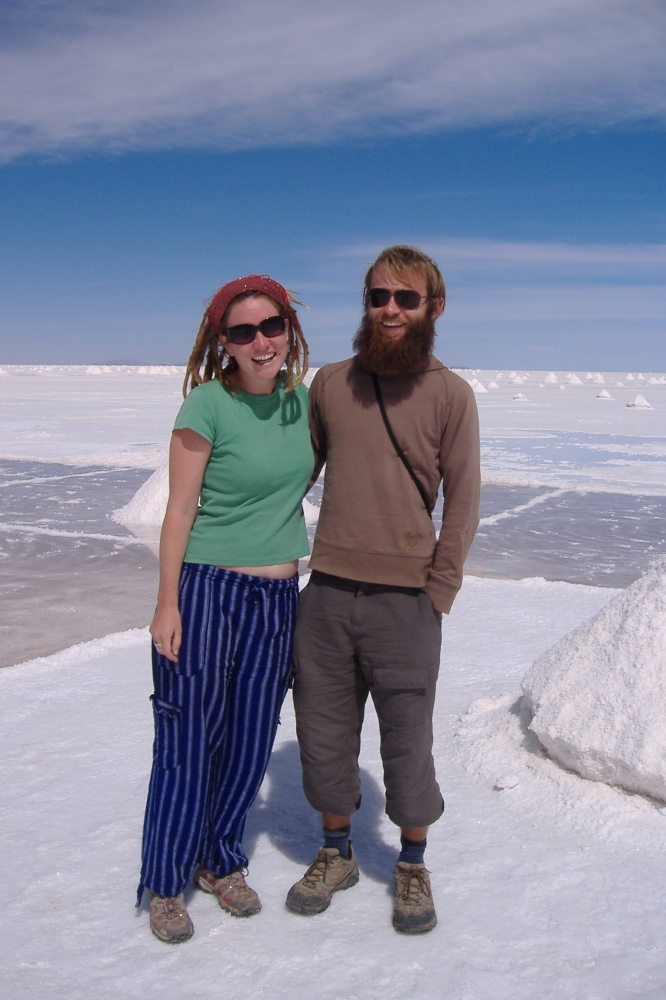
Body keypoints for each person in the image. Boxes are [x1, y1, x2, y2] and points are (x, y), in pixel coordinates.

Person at [286, 245, 480, 934]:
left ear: (434, 307)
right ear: (364, 303)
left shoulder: (451, 395)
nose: (390, 310)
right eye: (379, 297)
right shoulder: (331, 384)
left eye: (406, 298)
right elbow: (293, 478)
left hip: (406, 604)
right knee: (323, 736)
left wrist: (439, 592)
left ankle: (412, 864)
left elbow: (463, 499)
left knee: (407, 743)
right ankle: (336, 851)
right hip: (329, 595)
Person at [137, 275, 313, 943]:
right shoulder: (206, 406)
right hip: (209, 588)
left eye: (271, 326)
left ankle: (220, 861)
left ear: (288, 330)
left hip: (276, 598)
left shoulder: (302, 404)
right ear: (223, 343)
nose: (260, 341)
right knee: (188, 738)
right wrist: (166, 604)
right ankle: (164, 882)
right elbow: (179, 510)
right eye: (243, 332)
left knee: (249, 737)